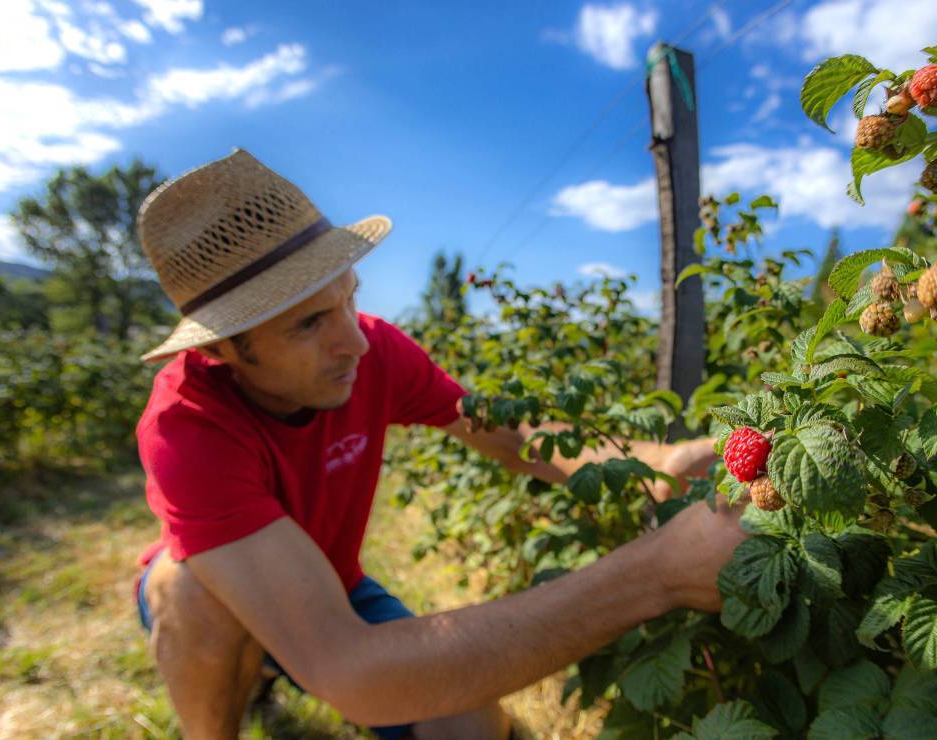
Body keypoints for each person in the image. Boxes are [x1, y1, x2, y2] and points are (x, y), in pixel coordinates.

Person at [131, 149, 745, 739]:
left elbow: (513, 432)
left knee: (470, 726)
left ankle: (268, 663)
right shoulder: (186, 428)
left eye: (349, 296)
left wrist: (658, 463)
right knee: (185, 588)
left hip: (332, 587)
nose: (357, 343)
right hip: (232, 598)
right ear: (218, 349)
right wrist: (659, 572)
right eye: (309, 322)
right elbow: (348, 668)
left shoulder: (374, 351)